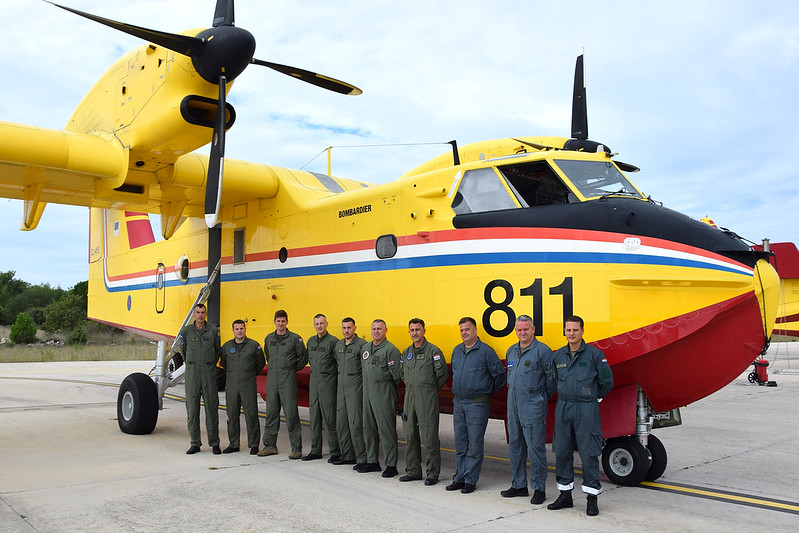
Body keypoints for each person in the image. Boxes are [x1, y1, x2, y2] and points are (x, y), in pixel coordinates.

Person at [547, 315, 614, 516]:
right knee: (562, 450)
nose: (571, 333)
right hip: (564, 407)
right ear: (564, 332)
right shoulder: (558, 356)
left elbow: (607, 381)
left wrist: (595, 398)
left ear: (582, 331)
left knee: (589, 452)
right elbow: (553, 380)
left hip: (586, 408)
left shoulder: (595, 355)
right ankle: (565, 495)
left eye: (575, 330)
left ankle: (591, 499)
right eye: (568, 330)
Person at [447, 317, 506, 494]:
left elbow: (500, 376)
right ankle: (459, 477)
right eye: (462, 330)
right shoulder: (457, 351)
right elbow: (453, 373)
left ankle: (470, 480)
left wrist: (486, 390)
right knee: (461, 442)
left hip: (477, 404)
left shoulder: (486, 352)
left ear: (475, 331)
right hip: (459, 403)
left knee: (474, 444)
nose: (464, 333)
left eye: (467, 329)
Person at [501, 315, 556, 504]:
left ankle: (539, 488)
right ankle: (518, 485)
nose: (522, 333)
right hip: (513, 405)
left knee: (535, 449)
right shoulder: (511, 351)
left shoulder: (542, 351)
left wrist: (539, 399)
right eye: (519, 330)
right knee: (515, 447)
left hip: (532, 405)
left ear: (533, 329)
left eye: (526, 329)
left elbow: (551, 381)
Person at [399, 318, 449, 486]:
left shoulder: (433, 351)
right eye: (412, 330)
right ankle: (413, 471)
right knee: (410, 435)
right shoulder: (406, 353)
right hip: (409, 397)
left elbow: (442, 375)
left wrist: (428, 388)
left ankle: (432, 473)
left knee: (429, 436)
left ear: (424, 331)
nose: (415, 333)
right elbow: (402, 374)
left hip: (427, 397)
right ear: (409, 332)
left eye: (418, 330)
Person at [258, 309, 308, 459]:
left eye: (283, 321)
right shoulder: (269, 338)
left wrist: (291, 369)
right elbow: (267, 355)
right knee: (271, 413)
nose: (280, 324)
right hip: (272, 380)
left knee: (291, 414)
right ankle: (269, 445)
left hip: (288, 380)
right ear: (274, 322)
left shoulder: (294, 339)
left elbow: (303, 358)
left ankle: (296, 448)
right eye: (278, 321)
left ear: (287, 322)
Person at [177, 303, 221, 455]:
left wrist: (208, 364)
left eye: (203, 312)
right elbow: (183, 351)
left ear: (206, 314)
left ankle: (214, 443)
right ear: (194, 314)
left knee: (212, 409)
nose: (200, 315)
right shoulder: (187, 332)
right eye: (198, 312)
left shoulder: (213, 331)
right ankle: (195, 443)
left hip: (208, 374)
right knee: (192, 410)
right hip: (193, 375)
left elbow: (217, 351)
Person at [360, 319, 401, 477]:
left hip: (383, 394)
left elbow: (396, 376)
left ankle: (391, 464)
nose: (376, 331)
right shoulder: (365, 348)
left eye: (379, 329)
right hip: (367, 394)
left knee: (387, 430)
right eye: (374, 329)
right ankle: (372, 461)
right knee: (368, 428)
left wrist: (383, 385)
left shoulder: (390, 350)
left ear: (385, 330)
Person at [219, 319, 266, 455]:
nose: (239, 331)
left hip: (248, 384)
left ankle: (254, 444)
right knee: (232, 414)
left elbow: (260, 363)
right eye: (237, 329)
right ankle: (233, 444)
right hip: (232, 385)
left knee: (251, 414)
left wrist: (250, 374)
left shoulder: (253, 346)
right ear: (233, 330)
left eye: (241, 328)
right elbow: (224, 363)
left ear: (245, 329)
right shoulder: (227, 347)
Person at [304, 313, 341, 462]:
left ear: (327, 324)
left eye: (321, 323)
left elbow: (339, 363)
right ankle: (315, 450)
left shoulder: (334, 342)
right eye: (317, 324)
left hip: (328, 383)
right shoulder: (311, 341)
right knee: (314, 418)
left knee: (330, 418)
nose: (319, 326)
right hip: (314, 383)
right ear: (314, 325)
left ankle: (336, 451)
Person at [333, 317, 368, 470]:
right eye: (344, 328)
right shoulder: (339, 345)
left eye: (349, 328)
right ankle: (347, 455)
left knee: (356, 424)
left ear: (355, 328)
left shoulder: (362, 346)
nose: (346, 331)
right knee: (341, 423)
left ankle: (361, 458)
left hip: (355, 387)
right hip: (341, 387)